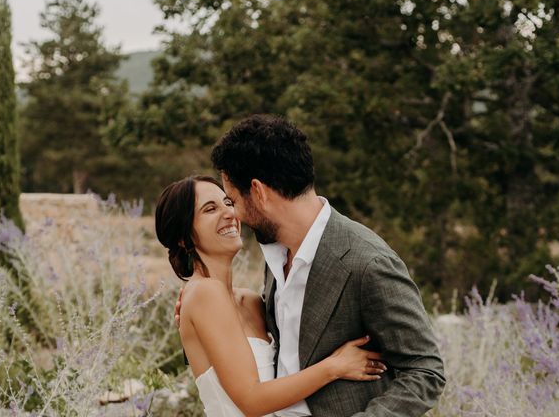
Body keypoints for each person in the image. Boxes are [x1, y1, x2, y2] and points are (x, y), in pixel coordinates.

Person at [207, 115, 446, 416]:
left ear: (258, 192)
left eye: (233, 200)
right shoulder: (277, 253)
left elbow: (426, 370)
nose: (236, 215)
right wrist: (218, 302)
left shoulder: (367, 262)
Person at [155, 175, 388, 417]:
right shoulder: (204, 293)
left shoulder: (252, 301)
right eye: (210, 209)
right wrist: (334, 367)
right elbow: (252, 401)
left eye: (227, 202)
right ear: (183, 238)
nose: (229, 213)